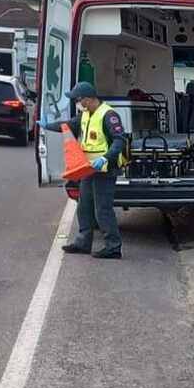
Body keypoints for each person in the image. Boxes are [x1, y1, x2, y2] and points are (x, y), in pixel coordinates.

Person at [58, 82, 128, 259]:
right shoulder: (85, 114)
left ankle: (113, 247)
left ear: (88, 100)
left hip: (105, 169)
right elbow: (67, 125)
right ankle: (83, 243)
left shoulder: (109, 115)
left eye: (78, 99)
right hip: (88, 169)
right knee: (84, 206)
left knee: (102, 210)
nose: (77, 103)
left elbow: (119, 140)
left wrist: (105, 158)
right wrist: (45, 124)